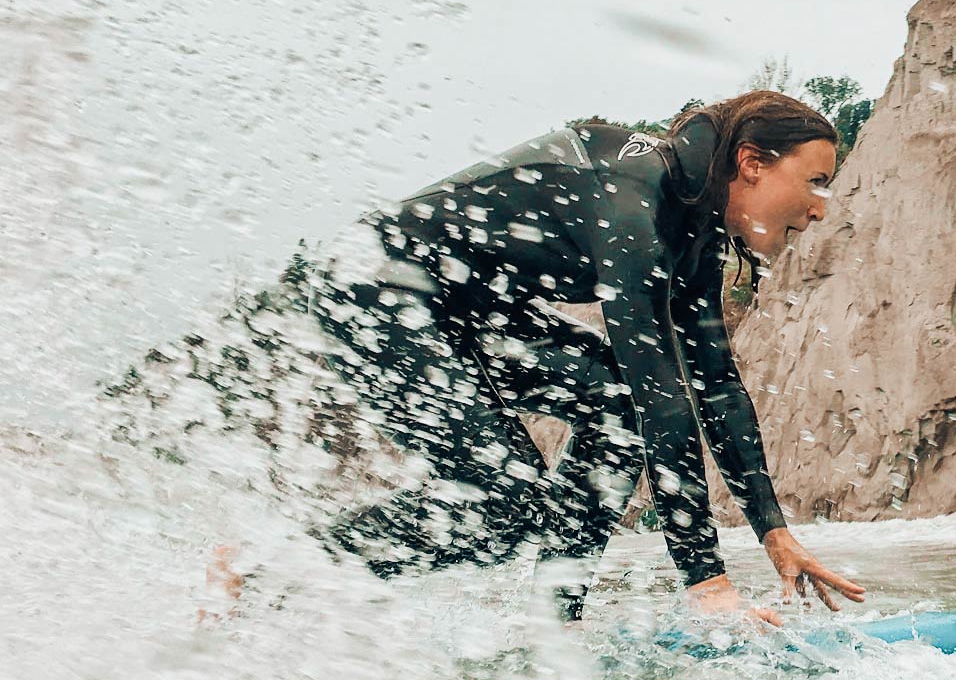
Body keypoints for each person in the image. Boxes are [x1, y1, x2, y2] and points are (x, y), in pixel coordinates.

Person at [258, 90, 864, 624]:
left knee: (611, 412)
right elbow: (663, 398)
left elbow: (719, 390)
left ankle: (556, 615)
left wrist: (773, 532)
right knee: (502, 498)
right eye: (814, 182)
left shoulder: (692, 227)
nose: (820, 207)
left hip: (460, 304)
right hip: (371, 286)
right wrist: (707, 583)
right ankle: (273, 574)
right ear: (752, 164)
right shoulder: (633, 204)